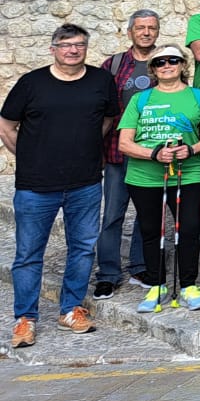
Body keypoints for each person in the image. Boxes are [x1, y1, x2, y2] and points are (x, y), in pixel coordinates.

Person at [3, 24, 120, 345]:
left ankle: (70, 309)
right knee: (28, 253)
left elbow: (107, 121)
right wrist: (28, 155)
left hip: (85, 182)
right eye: (66, 45)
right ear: (53, 48)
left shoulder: (101, 80)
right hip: (35, 185)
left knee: (82, 249)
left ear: (86, 48)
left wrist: (86, 148)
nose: (73, 50)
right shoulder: (32, 83)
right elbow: (6, 123)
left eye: (79, 45)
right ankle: (25, 318)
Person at [117, 44, 200, 312]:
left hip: (188, 173)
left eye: (173, 60)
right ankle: (156, 285)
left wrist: (192, 149)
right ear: (153, 69)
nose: (167, 66)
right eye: (160, 62)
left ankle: (188, 285)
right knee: (151, 231)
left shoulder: (198, 97)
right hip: (145, 177)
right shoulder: (140, 99)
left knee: (189, 230)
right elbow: (124, 143)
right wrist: (154, 154)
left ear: (183, 65)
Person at [93, 10, 158, 301]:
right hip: (117, 152)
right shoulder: (114, 64)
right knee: (112, 215)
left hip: (152, 153)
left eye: (151, 28)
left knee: (148, 214)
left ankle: (141, 266)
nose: (146, 32)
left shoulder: (166, 61)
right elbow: (99, 106)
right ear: (129, 32)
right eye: (140, 28)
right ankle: (107, 273)